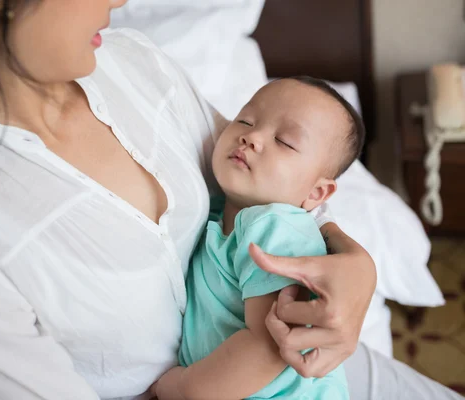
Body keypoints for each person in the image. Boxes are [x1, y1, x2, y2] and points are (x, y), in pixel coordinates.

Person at [0, 1, 377, 399]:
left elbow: (275, 184)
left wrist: (354, 263)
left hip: (323, 374)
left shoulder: (135, 63)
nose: (121, 0)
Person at [152, 77, 363, 400]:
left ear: (316, 192)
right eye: (245, 120)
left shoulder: (274, 226)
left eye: (286, 141)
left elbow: (269, 344)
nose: (251, 137)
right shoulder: (221, 212)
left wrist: (183, 387)